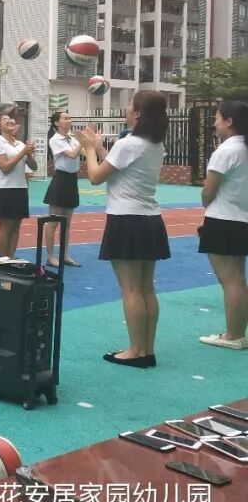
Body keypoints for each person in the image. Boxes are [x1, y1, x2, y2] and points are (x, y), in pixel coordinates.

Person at [77, 90, 169, 368]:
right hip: (150, 219)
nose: (126, 108)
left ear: (138, 113)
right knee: (146, 288)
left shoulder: (128, 144)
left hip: (126, 219)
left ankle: (135, 351)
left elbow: (95, 176)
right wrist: (100, 148)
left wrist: (89, 149)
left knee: (130, 290)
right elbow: (119, 167)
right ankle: (147, 350)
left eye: (130, 104)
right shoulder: (154, 144)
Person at [197, 99, 248, 350]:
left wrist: (206, 201)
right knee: (238, 279)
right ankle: (237, 333)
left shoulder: (226, 151)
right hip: (242, 219)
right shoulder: (243, 148)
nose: (214, 123)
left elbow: (208, 191)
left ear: (229, 121)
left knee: (231, 281)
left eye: (217, 118)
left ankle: (234, 335)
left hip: (223, 220)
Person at [0, 113, 37, 258]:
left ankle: (11, 258)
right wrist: (22, 153)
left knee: (16, 227)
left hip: (20, 188)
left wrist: (29, 154)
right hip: (5, 189)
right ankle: (2, 259)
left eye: (11, 119)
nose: (10, 120)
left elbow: (34, 166)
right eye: (5, 120)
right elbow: (4, 167)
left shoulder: (20, 144)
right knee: (6, 227)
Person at [42, 110, 82, 268]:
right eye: (65, 118)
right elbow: (72, 154)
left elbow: (84, 152)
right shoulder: (55, 139)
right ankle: (51, 256)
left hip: (72, 180)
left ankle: (64, 255)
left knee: (67, 223)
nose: (69, 120)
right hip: (60, 180)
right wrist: (82, 142)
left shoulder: (72, 139)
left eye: (69, 117)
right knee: (53, 222)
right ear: (57, 123)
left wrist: (91, 142)